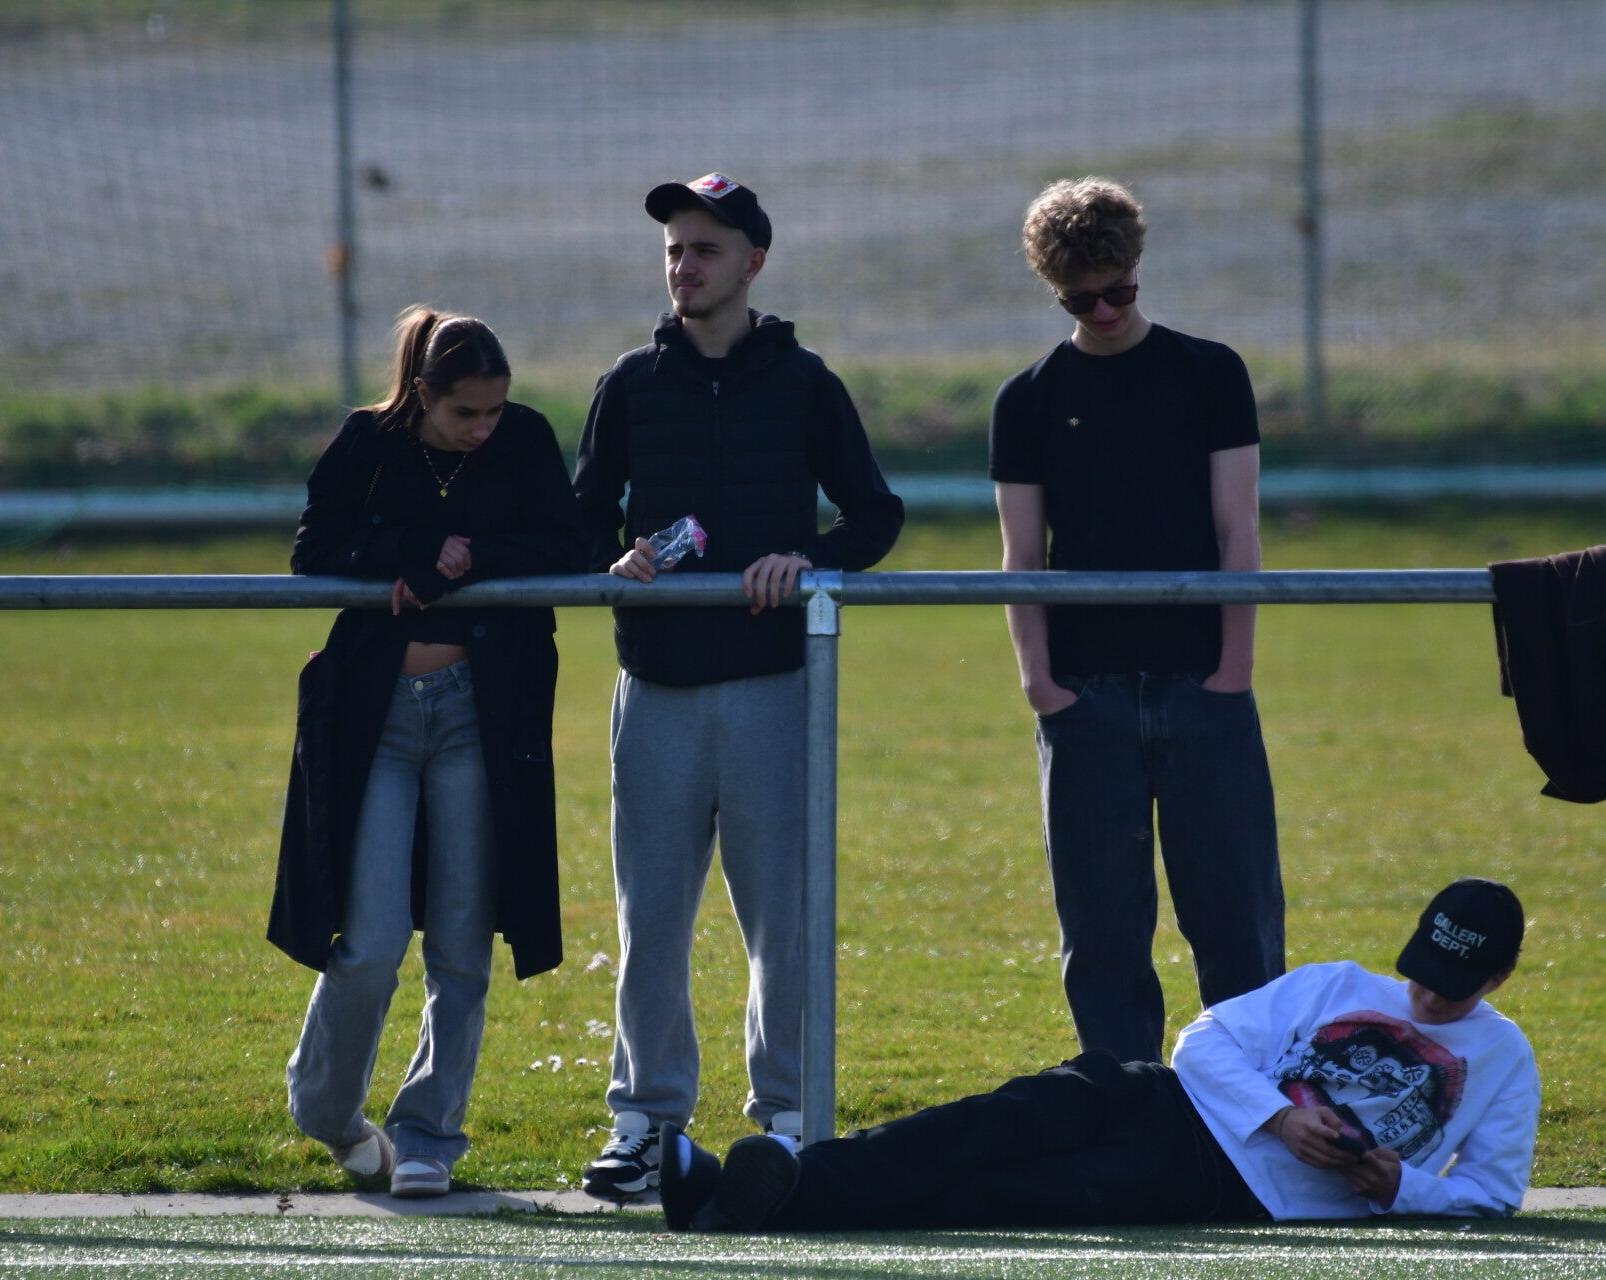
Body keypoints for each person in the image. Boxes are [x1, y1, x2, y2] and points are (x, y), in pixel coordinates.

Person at [571, 173, 905, 1197]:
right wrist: (615, 558)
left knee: (782, 923)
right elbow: (579, 517)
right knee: (650, 924)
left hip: (771, 687)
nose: (685, 266)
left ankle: (790, 1123)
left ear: (753, 261)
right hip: (657, 688)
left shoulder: (805, 384)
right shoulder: (630, 382)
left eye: (705, 248)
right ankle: (643, 1122)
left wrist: (809, 560)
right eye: (674, 249)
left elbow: (875, 515)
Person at [659, 878, 1538, 1232]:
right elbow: (1204, 1041)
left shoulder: (1506, 1062)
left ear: (1498, 979)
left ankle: (746, 1198)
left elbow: (1492, 1195)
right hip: (1162, 1096)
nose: (1427, 998)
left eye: (1452, 989)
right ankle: (781, 1180)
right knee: (979, 1127)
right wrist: (1280, 1116)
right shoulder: (1337, 982)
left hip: (1229, 1187)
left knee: (1001, 1195)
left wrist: (1399, 1186)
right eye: (1422, 973)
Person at [267, 307, 584, 1198]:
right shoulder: (367, 441)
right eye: (464, 413)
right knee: (367, 944)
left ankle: (428, 1135)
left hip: (479, 716)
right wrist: (407, 550)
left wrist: (465, 560)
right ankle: (327, 1110)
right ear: (421, 395)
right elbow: (313, 550)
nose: (484, 429)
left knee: (460, 946)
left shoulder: (524, 440)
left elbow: (568, 544)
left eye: (495, 410)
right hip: (378, 721)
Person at [990, 176, 1285, 1065]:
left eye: (1119, 290)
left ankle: (1248, 1108)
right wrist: (1040, 684)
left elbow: (1239, 528)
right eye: (1081, 300)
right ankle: (1124, 1102)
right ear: (1054, 291)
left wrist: (1234, 668)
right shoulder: (1027, 399)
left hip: (1204, 686)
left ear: (1138, 267)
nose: (1106, 311)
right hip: (1087, 694)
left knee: (1236, 920)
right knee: (1102, 929)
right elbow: (1021, 554)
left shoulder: (1210, 373)